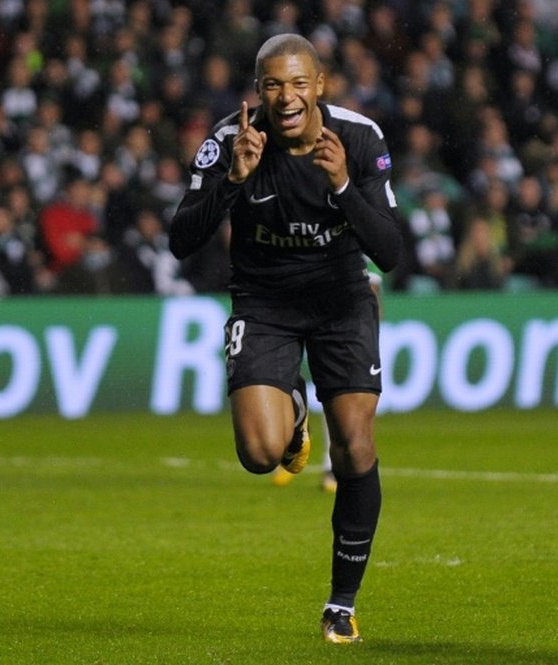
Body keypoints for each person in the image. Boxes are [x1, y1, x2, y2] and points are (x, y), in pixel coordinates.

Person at [169, 34, 402, 645]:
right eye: (273, 84)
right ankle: (294, 409)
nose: (286, 96)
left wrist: (346, 188)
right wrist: (230, 180)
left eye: (299, 83)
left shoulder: (358, 138)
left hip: (341, 301)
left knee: (354, 446)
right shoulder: (230, 141)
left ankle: (341, 604)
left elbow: (393, 252)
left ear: (320, 85)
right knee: (258, 454)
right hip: (264, 302)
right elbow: (180, 239)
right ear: (258, 90)